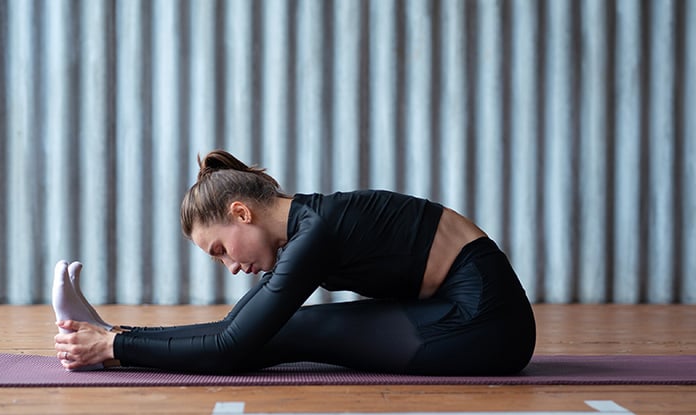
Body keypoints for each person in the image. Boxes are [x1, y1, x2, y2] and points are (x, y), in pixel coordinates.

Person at [53, 150, 536, 375]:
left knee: (289, 331)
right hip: (459, 310)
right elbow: (234, 326)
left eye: (220, 250)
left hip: (486, 325)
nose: (231, 267)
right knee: (266, 327)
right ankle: (109, 338)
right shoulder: (309, 225)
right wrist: (117, 336)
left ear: (240, 213)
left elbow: (228, 346)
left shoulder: (316, 233)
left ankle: (110, 347)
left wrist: (117, 349)